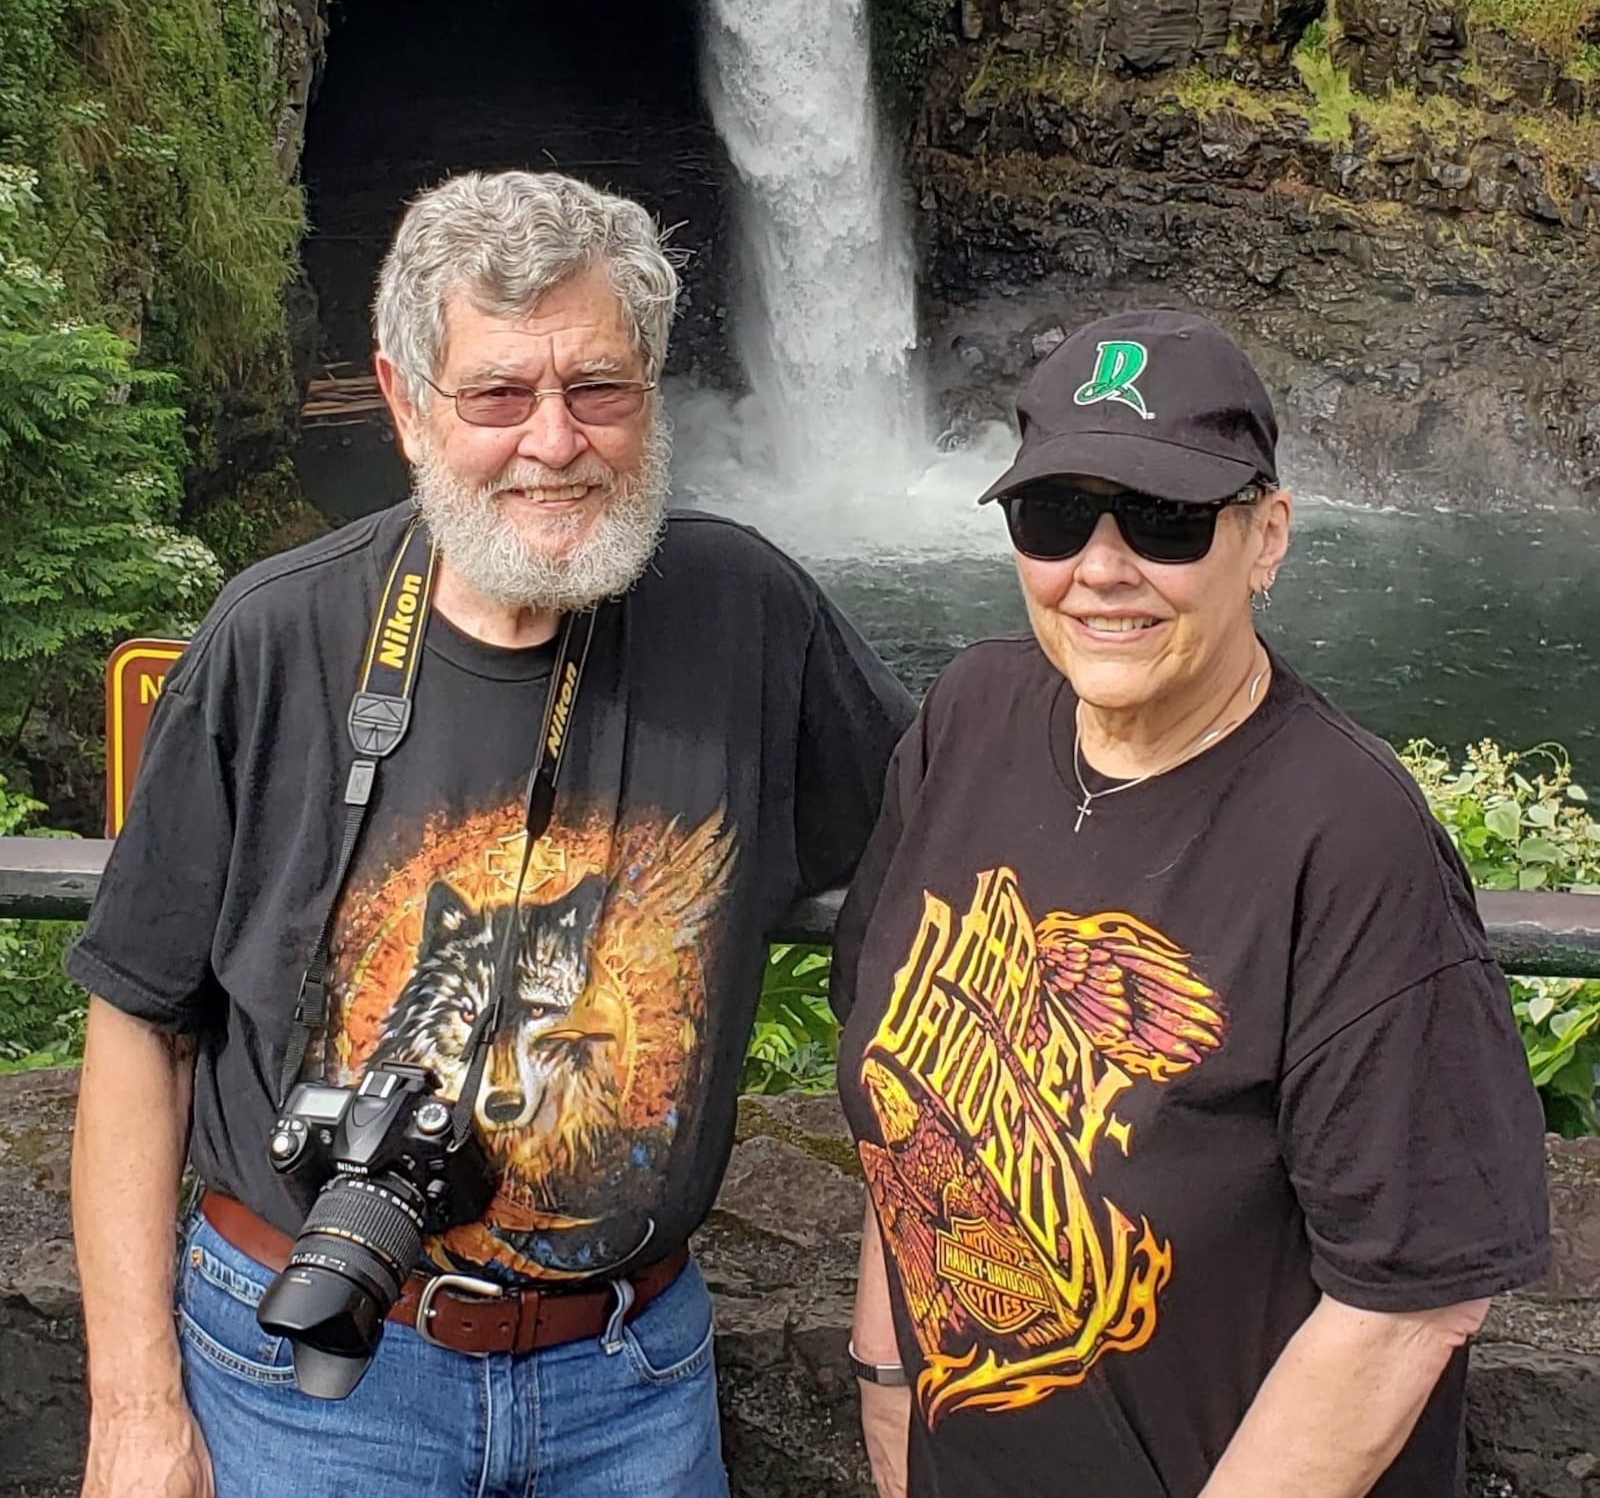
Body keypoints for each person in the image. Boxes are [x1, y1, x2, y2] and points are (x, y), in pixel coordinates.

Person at [69, 168, 915, 1498]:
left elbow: (964, 856)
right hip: (306, 1374)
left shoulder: (747, 611)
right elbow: (138, 1020)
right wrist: (132, 1409)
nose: (554, 439)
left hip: (628, 1376)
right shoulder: (277, 638)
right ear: (406, 405)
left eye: (599, 388)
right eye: (499, 394)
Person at [832, 307, 1550, 1498]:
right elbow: (905, 1102)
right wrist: (887, 1379)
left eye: (1164, 522)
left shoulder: (1346, 833)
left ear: (1264, 535)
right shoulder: (971, 716)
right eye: (1054, 516)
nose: (1101, 570)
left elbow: (1411, 1301)